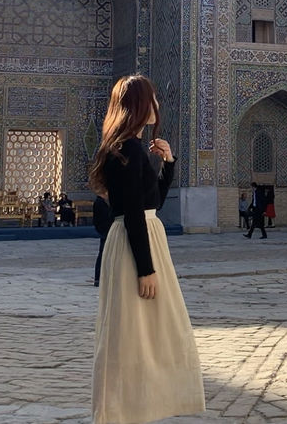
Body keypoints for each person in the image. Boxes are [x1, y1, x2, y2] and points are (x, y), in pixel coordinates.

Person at [89, 73, 204, 424]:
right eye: (152, 99)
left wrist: (167, 164)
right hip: (135, 245)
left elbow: (152, 202)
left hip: (143, 239)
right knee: (129, 333)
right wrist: (145, 268)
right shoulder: (125, 150)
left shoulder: (133, 149)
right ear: (139, 105)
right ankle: (117, 412)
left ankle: (141, 407)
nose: (157, 106)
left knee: (151, 331)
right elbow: (133, 214)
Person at [92, 194, 112, 287]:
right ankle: (99, 278)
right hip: (106, 230)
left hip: (111, 229)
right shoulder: (100, 202)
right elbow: (97, 219)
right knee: (103, 253)